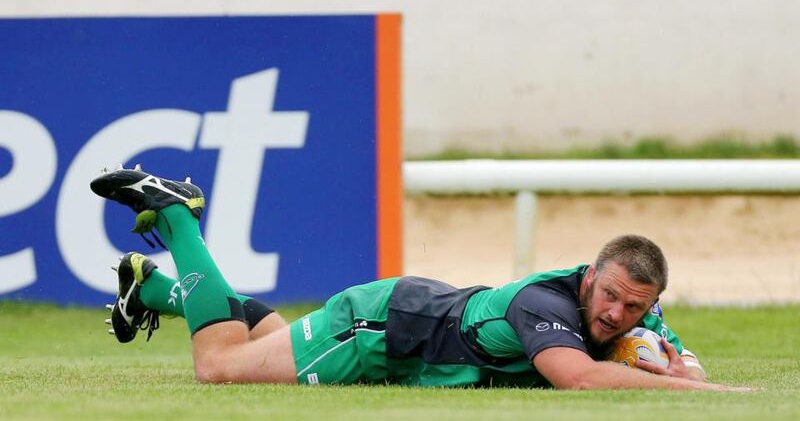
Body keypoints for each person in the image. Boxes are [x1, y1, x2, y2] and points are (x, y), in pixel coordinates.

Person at [91, 166, 746, 391]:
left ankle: (148, 287)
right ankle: (179, 220)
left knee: (269, 347)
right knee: (221, 367)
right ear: (591, 274)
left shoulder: (634, 308)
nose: (615, 317)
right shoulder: (547, 303)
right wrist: (716, 400)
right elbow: (577, 376)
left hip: (403, 313)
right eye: (609, 298)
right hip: (378, 329)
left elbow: (676, 358)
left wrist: (681, 368)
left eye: (633, 309)